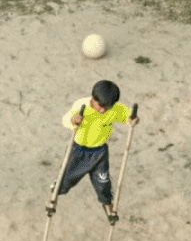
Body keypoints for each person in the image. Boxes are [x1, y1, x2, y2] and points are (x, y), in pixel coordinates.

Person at [50, 80, 139, 222]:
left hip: (100, 151)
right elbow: (66, 120)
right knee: (68, 177)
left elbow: (127, 115)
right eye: (101, 106)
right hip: (78, 150)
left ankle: (108, 204)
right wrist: (74, 120)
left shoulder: (114, 109)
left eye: (107, 107)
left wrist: (132, 119)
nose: (103, 110)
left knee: (103, 181)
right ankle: (55, 193)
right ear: (93, 98)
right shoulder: (82, 106)